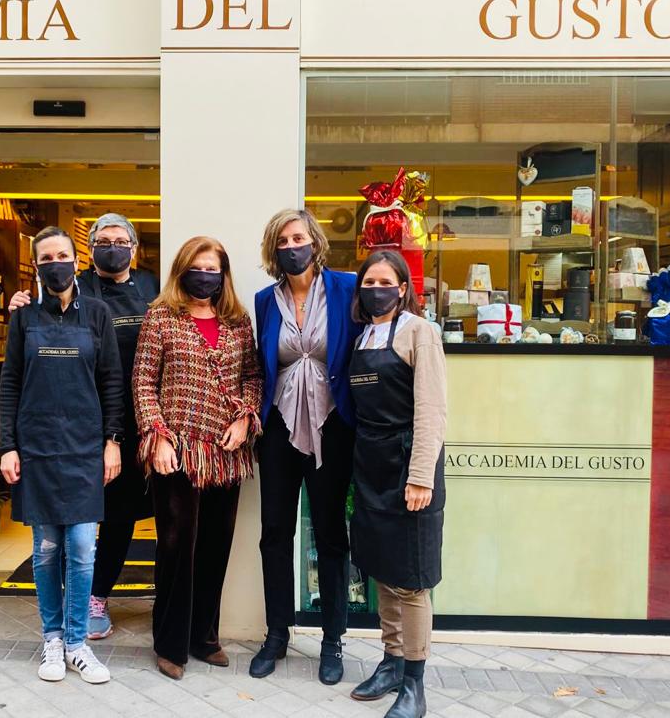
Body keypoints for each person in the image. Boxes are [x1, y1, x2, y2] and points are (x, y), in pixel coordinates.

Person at [9, 213, 159, 639]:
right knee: (86, 516)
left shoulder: (151, 288)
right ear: (88, 252)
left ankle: (95, 594)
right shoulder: (78, 292)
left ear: (133, 245)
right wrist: (21, 303)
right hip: (84, 416)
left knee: (125, 513)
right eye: (103, 240)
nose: (113, 246)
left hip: (141, 415)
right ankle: (83, 602)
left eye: (120, 239)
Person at [131, 236, 263, 681]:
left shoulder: (238, 321)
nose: (205, 275)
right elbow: (143, 381)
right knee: (175, 549)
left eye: (213, 269)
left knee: (214, 547)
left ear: (223, 275)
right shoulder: (161, 316)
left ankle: (204, 637)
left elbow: (253, 376)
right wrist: (157, 437)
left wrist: (246, 419)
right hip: (177, 451)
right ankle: (169, 643)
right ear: (182, 270)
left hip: (227, 453)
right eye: (197, 267)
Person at [0, 226, 124, 686]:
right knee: (46, 550)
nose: (56, 263)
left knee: (83, 548)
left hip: (85, 448)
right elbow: (9, 383)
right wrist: (7, 445)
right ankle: (52, 639)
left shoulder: (97, 314)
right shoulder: (23, 318)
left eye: (63, 254)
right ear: (37, 266)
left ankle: (77, 644)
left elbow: (112, 381)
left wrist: (113, 440)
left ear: (77, 261)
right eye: (46, 257)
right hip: (36, 448)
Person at [250, 209, 362, 685]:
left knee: (331, 533)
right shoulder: (264, 300)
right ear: (273, 250)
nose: (291, 246)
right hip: (278, 427)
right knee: (274, 530)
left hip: (332, 425)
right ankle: (277, 633)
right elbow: (262, 363)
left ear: (314, 242)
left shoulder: (346, 287)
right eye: (282, 240)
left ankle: (333, 638)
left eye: (298, 237)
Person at [346, 250, 447, 718]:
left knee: (411, 580)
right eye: (368, 282)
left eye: (385, 282)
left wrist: (421, 477)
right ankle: (389, 661)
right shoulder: (363, 334)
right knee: (382, 569)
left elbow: (432, 411)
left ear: (403, 288)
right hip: (370, 465)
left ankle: (414, 683)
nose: (376, 290)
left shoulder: (419, 333)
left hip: (408, 466)